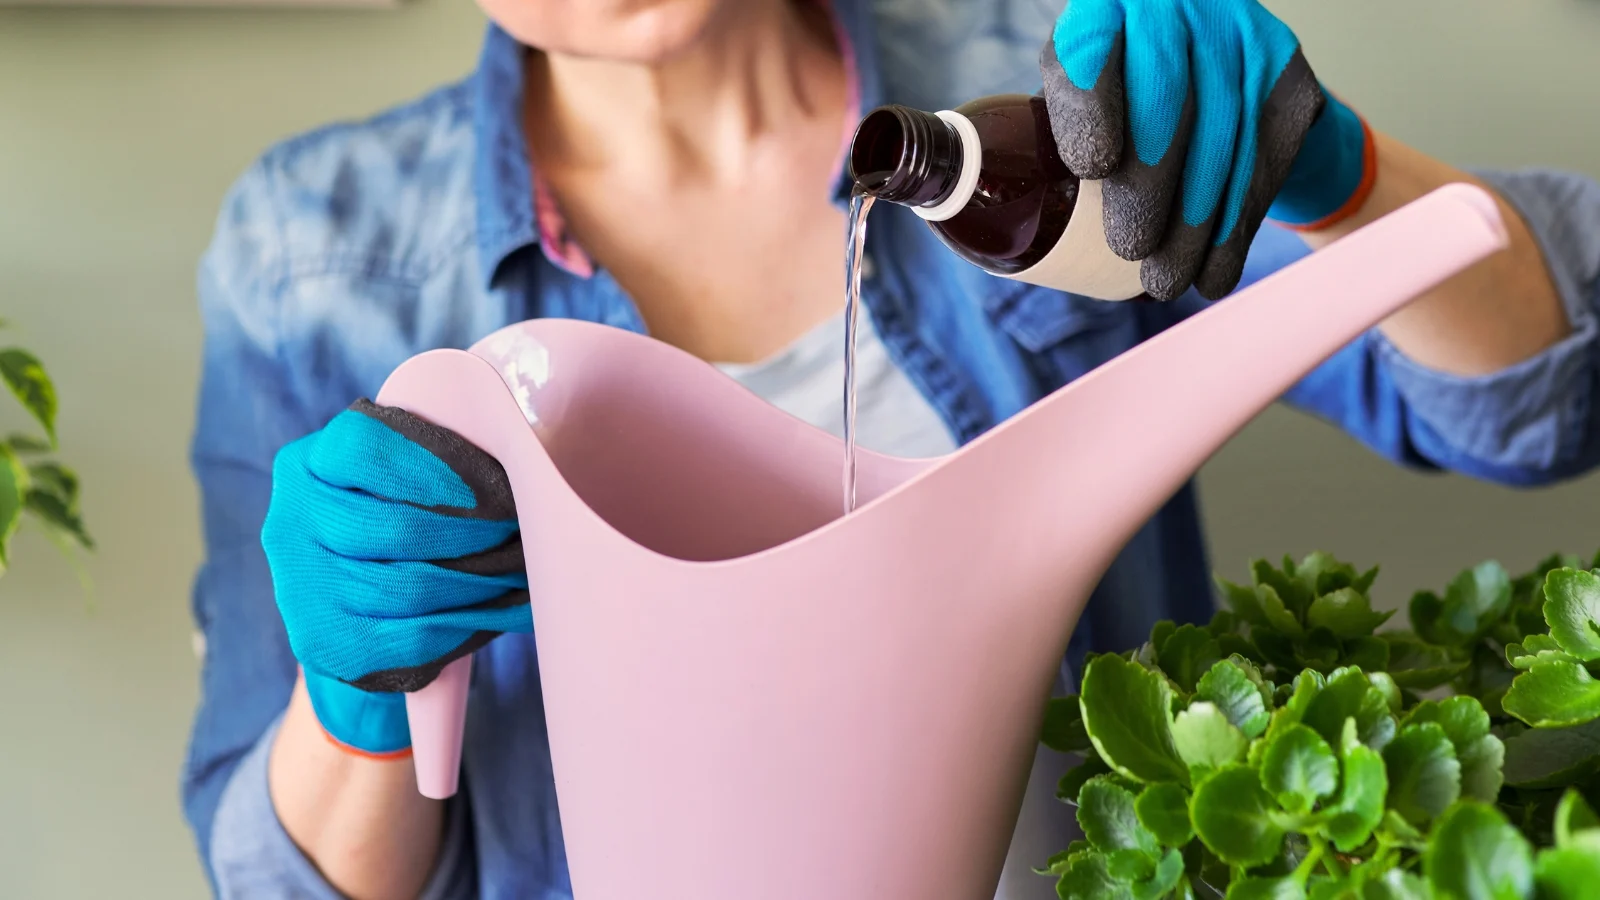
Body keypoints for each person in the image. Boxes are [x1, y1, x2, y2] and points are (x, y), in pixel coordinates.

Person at [181, 0, 1600, 896]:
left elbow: (1527, 409)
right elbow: (294, 882)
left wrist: (1342, 176)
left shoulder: (1046, 91)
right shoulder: (317, 256)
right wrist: (359, 696)